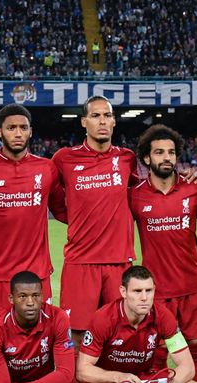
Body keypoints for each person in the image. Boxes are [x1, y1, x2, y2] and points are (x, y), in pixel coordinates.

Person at [129, 124, 197, 383]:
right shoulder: (135, 196)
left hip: (193, 289)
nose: (166, 157)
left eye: (171, 152)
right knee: (155, 359)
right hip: (156, 294)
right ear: (146, 158)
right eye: (159, 152)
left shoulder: (194, 189)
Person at [51, 95, 139, 346]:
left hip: (119, 261)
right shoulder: (64, 158)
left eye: (107, 115)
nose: (102, 121)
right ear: (83, 122)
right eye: (95, 115)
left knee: (120, 331)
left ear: (114, 122)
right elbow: (54, 200)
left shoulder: (126, 158)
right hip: (81, 261)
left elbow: (141, 192)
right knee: (77, 335)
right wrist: (78, 220)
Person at [74, 266, 197, 383]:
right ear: (123, 291)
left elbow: (188, 367)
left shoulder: (163, 317)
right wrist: (118, 377)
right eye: (137, 291)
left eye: (148, 290)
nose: (144, 298)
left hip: (144, 382)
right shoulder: (104, 318)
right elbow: (83, 370)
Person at [0, 104, 66, 324]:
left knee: (41, 345)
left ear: (30, 131)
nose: (17, 133)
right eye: (11, 128)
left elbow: (63, 211)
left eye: (23, 128)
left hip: (37, 274)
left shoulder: (47, 168)